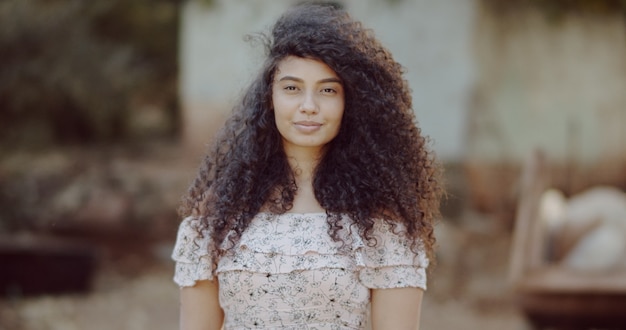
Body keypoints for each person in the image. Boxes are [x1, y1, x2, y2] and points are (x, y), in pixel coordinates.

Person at [171, 3, 444, 329]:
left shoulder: (381, 218)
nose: (309, 106)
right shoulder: (219, 212)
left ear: (351, 102)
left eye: (328, 90)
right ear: (269, 98)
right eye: (292, 88)